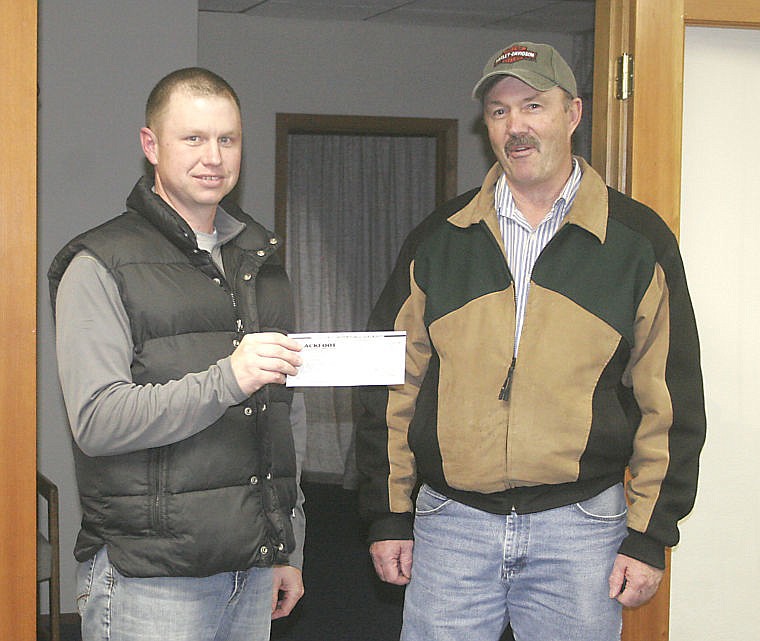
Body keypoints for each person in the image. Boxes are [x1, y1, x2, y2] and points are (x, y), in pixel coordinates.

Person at [356, 42, 706, 641]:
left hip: (583, 528)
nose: (515, 126)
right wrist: (387, 515)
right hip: (451, 526)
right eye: (498, 110)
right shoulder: (438, 241)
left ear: (572, 114)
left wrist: (650, 535)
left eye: (533, 105)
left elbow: (669, 399)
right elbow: (389, 385)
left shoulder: (636, 243)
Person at [48, 67, 306, 641]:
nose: (213, 156)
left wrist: (287, 541)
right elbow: (97, 420)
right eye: (192, 138)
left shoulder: (260, 261)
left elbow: (282, 417)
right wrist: (227, 379)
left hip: (251, 568)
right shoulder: (99, 264)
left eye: (227, 139)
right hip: (151, 579)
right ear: (151, 146)